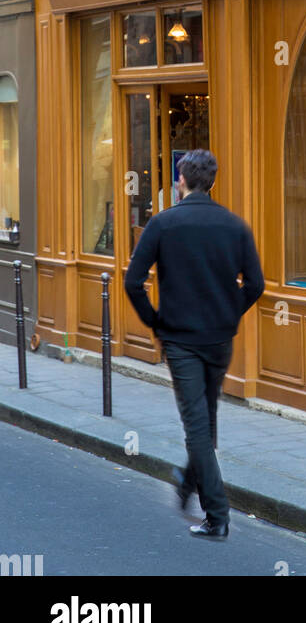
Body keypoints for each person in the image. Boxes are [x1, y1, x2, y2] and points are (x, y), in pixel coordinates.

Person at [124, 148, 264, 539]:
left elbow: (132, 282)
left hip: (181, 339)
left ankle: (217, 515)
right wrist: (230, 312)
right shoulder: (235, 226)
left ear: (181, 182)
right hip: (219, 338)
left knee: (197, 426)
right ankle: (188, 481)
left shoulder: (163, 224)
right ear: (212, 182)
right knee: (207, 417)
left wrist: (156, 323)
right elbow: (256, 285)